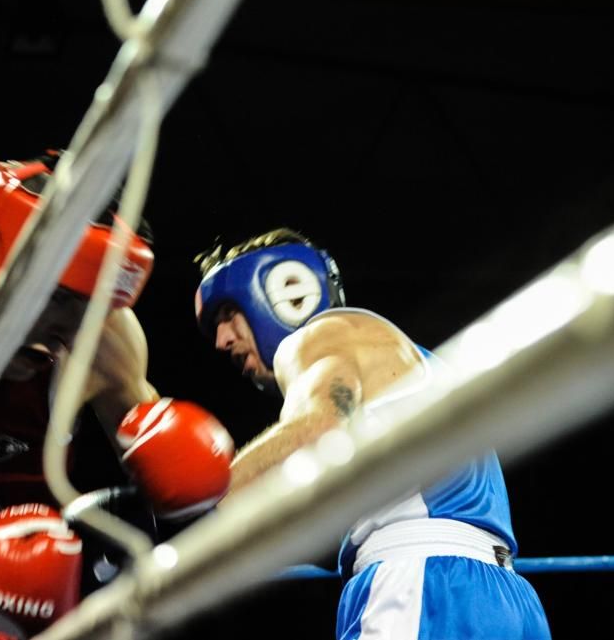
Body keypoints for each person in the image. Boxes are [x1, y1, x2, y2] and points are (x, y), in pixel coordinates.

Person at [0, 152, 233, 639]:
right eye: (56, 298)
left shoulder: (102, 340)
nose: (68, 333)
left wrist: (189, 491)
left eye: (91, 307)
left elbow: (185, 507)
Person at [194, 228, 551, 639]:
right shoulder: (405, 361)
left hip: (422, 589)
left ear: (280, 295)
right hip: (503, 599)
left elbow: (317, 429)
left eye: (228, 314)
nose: (222, 341)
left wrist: (204, 501)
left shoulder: (318, 336)